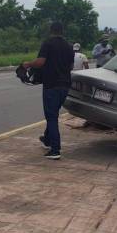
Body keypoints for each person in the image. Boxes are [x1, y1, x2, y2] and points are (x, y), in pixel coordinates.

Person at [23, 22, 74, 160]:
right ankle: (47, 139)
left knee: (51, 117)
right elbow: (71, 66)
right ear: (62, 31)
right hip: (65, 85)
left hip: (51, 85)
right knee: (53, 113)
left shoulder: (48, 43)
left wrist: (28, 64)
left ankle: (55, 150)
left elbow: (40, 62)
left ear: (51, 31)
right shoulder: (69, 46)